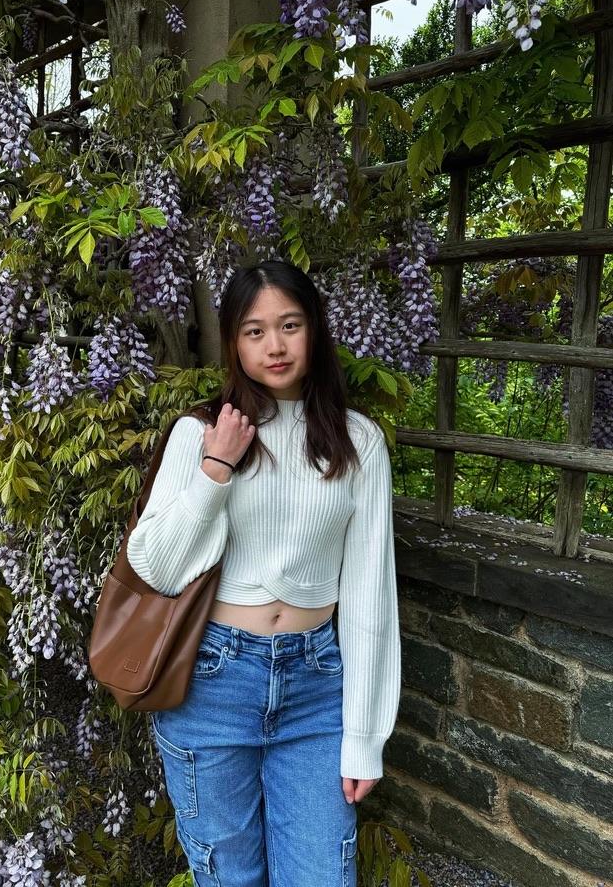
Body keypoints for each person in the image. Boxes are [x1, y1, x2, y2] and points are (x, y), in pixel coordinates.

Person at [126, 259, 401, 887]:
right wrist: (215, 470)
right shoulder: (199, 432)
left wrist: (365, 737)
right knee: (228, 878)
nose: (274, 346)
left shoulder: (357, 440)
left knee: (323, 876)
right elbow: (159, 569)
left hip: (315, 686)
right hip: (215, 683)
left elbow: (369, 596)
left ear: (315, 331)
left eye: (290, 325)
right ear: (232, 341)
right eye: (254, 331)